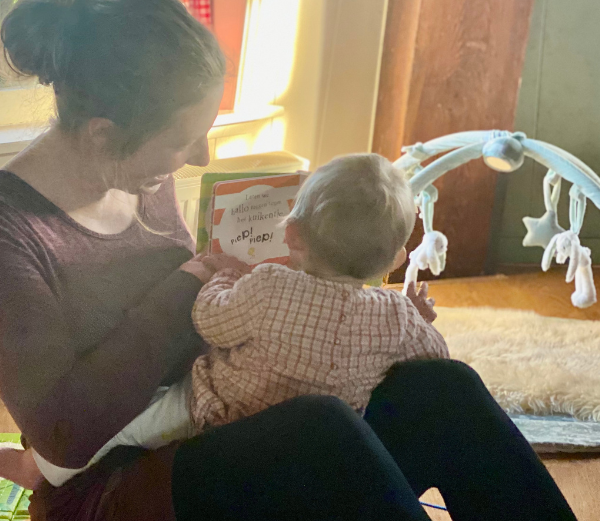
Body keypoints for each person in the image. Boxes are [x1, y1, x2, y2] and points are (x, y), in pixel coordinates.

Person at [0, 0, 577, 521]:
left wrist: (308, 299)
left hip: (215, 420)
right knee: (318, 427)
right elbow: (64, 438)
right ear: (103, 134)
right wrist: (190, 286)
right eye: (183, 141)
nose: (200, 157)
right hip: (109, 484)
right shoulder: (12, 234)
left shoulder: (131, 173)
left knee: (442, 390)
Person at [2, 153, 448, 489]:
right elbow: (436, 359)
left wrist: (220, 279)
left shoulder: (270, 284)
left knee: (116, 430)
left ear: (291, 235)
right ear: (394, 258)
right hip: (317, 452)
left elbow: (210, 322)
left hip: (214, 416)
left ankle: (35, 470)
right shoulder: (395, 319)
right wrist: (417, 315)